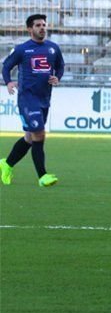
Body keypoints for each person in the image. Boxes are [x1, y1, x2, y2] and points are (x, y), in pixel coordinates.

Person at [1, 14, 64, 187]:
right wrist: (8, 82)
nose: (42, 27)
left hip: (44, 98)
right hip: (27, 99)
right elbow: (6, 66)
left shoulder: (53, 48)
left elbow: (60, 66)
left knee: (29, 137)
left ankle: (6, 164)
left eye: (44, 24)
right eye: (38, 25)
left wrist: (57, 77)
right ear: (30, 29)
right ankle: (42, 176)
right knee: (39, 134)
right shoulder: (22, 49)